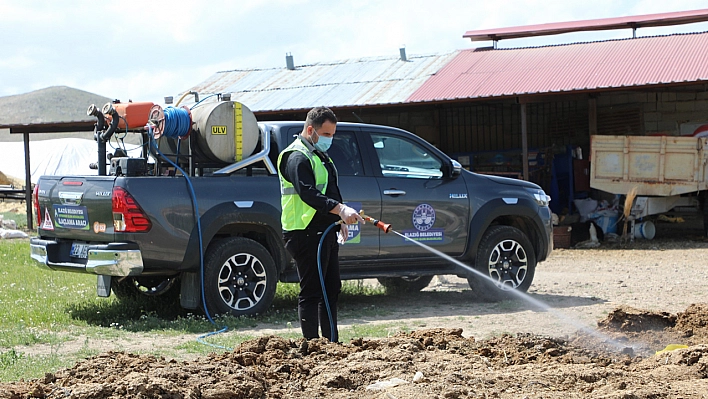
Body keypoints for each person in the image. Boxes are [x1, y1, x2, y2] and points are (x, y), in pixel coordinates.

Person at [277, 106, 364, 342]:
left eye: (332, 134)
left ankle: (331, 343)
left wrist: (338, 218)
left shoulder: (318, 154)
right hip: (303, 232)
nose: (330, 139)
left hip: (324, 230)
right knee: (313, 291)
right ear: (310, 130)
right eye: (326, 134)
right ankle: (313, 346)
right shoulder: (296, 157)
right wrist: (340, 210)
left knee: (331, 288)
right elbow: (308, 193)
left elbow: (330, 190)